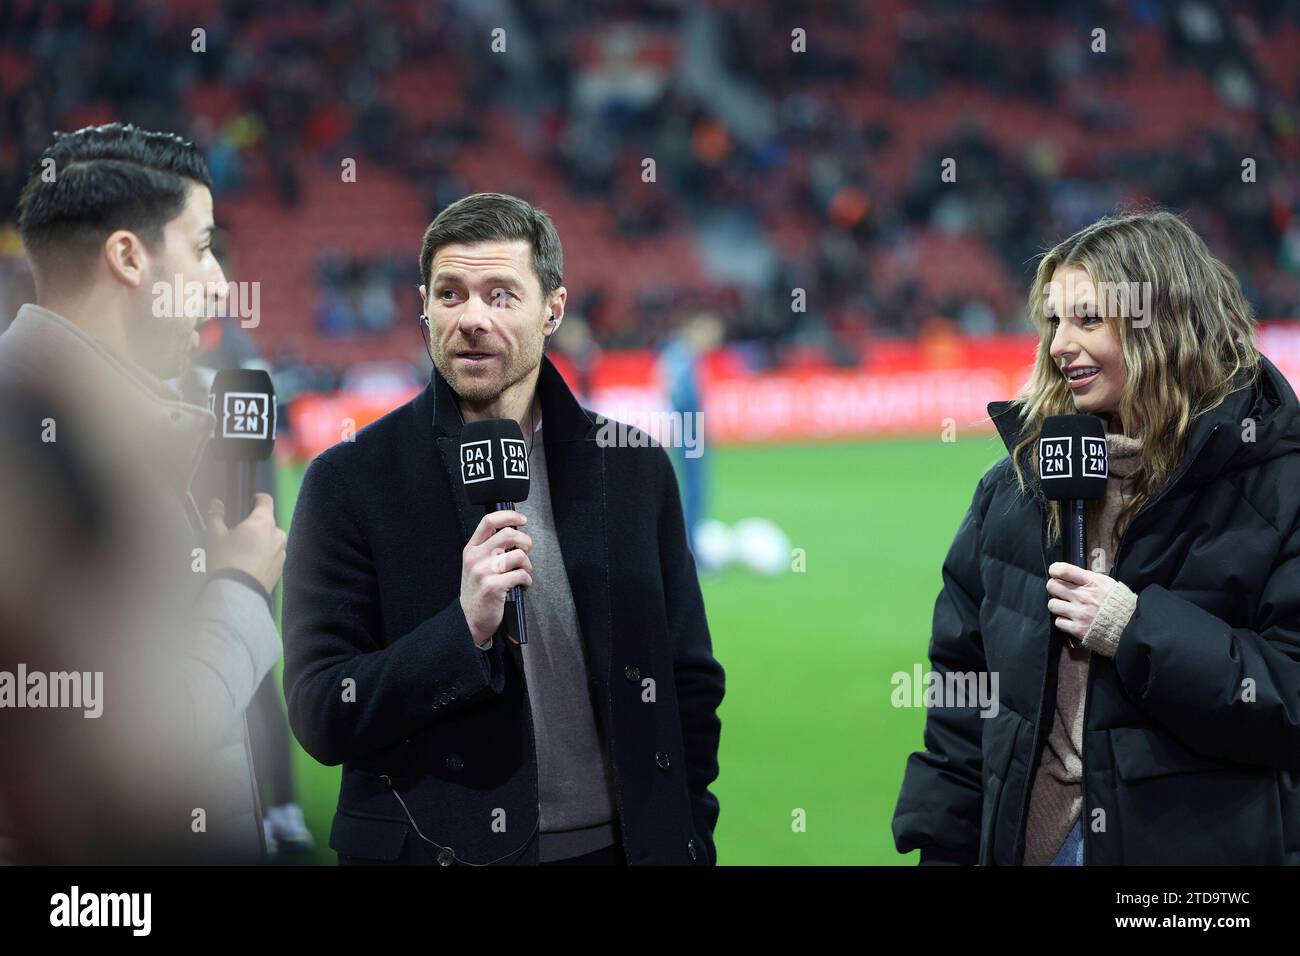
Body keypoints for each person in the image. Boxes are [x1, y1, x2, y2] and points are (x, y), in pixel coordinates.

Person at [283, 192, 725, 866]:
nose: (473, 319)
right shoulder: (350, 481)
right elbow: (321, 710)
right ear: (424, 305)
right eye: (452, 293)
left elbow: (688, 679)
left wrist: (690, 834)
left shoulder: (633, 469)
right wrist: (460, 632)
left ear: (555, 308)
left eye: (501, 294)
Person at [893, 209, 1300, 865]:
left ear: (1162, 323)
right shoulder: (1014, 491)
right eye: (1054, 321)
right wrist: (940, 848)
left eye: (1087, 319)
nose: (1059, 343)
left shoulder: (1278, 484)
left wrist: (1138, 631)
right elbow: (960, 701)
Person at [0, 123, 286, 863]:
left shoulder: (83, 419)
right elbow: (140, 751)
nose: (221, 282)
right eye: (201, 248)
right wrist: (241, 589)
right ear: (130, 257)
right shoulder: (32, 451)